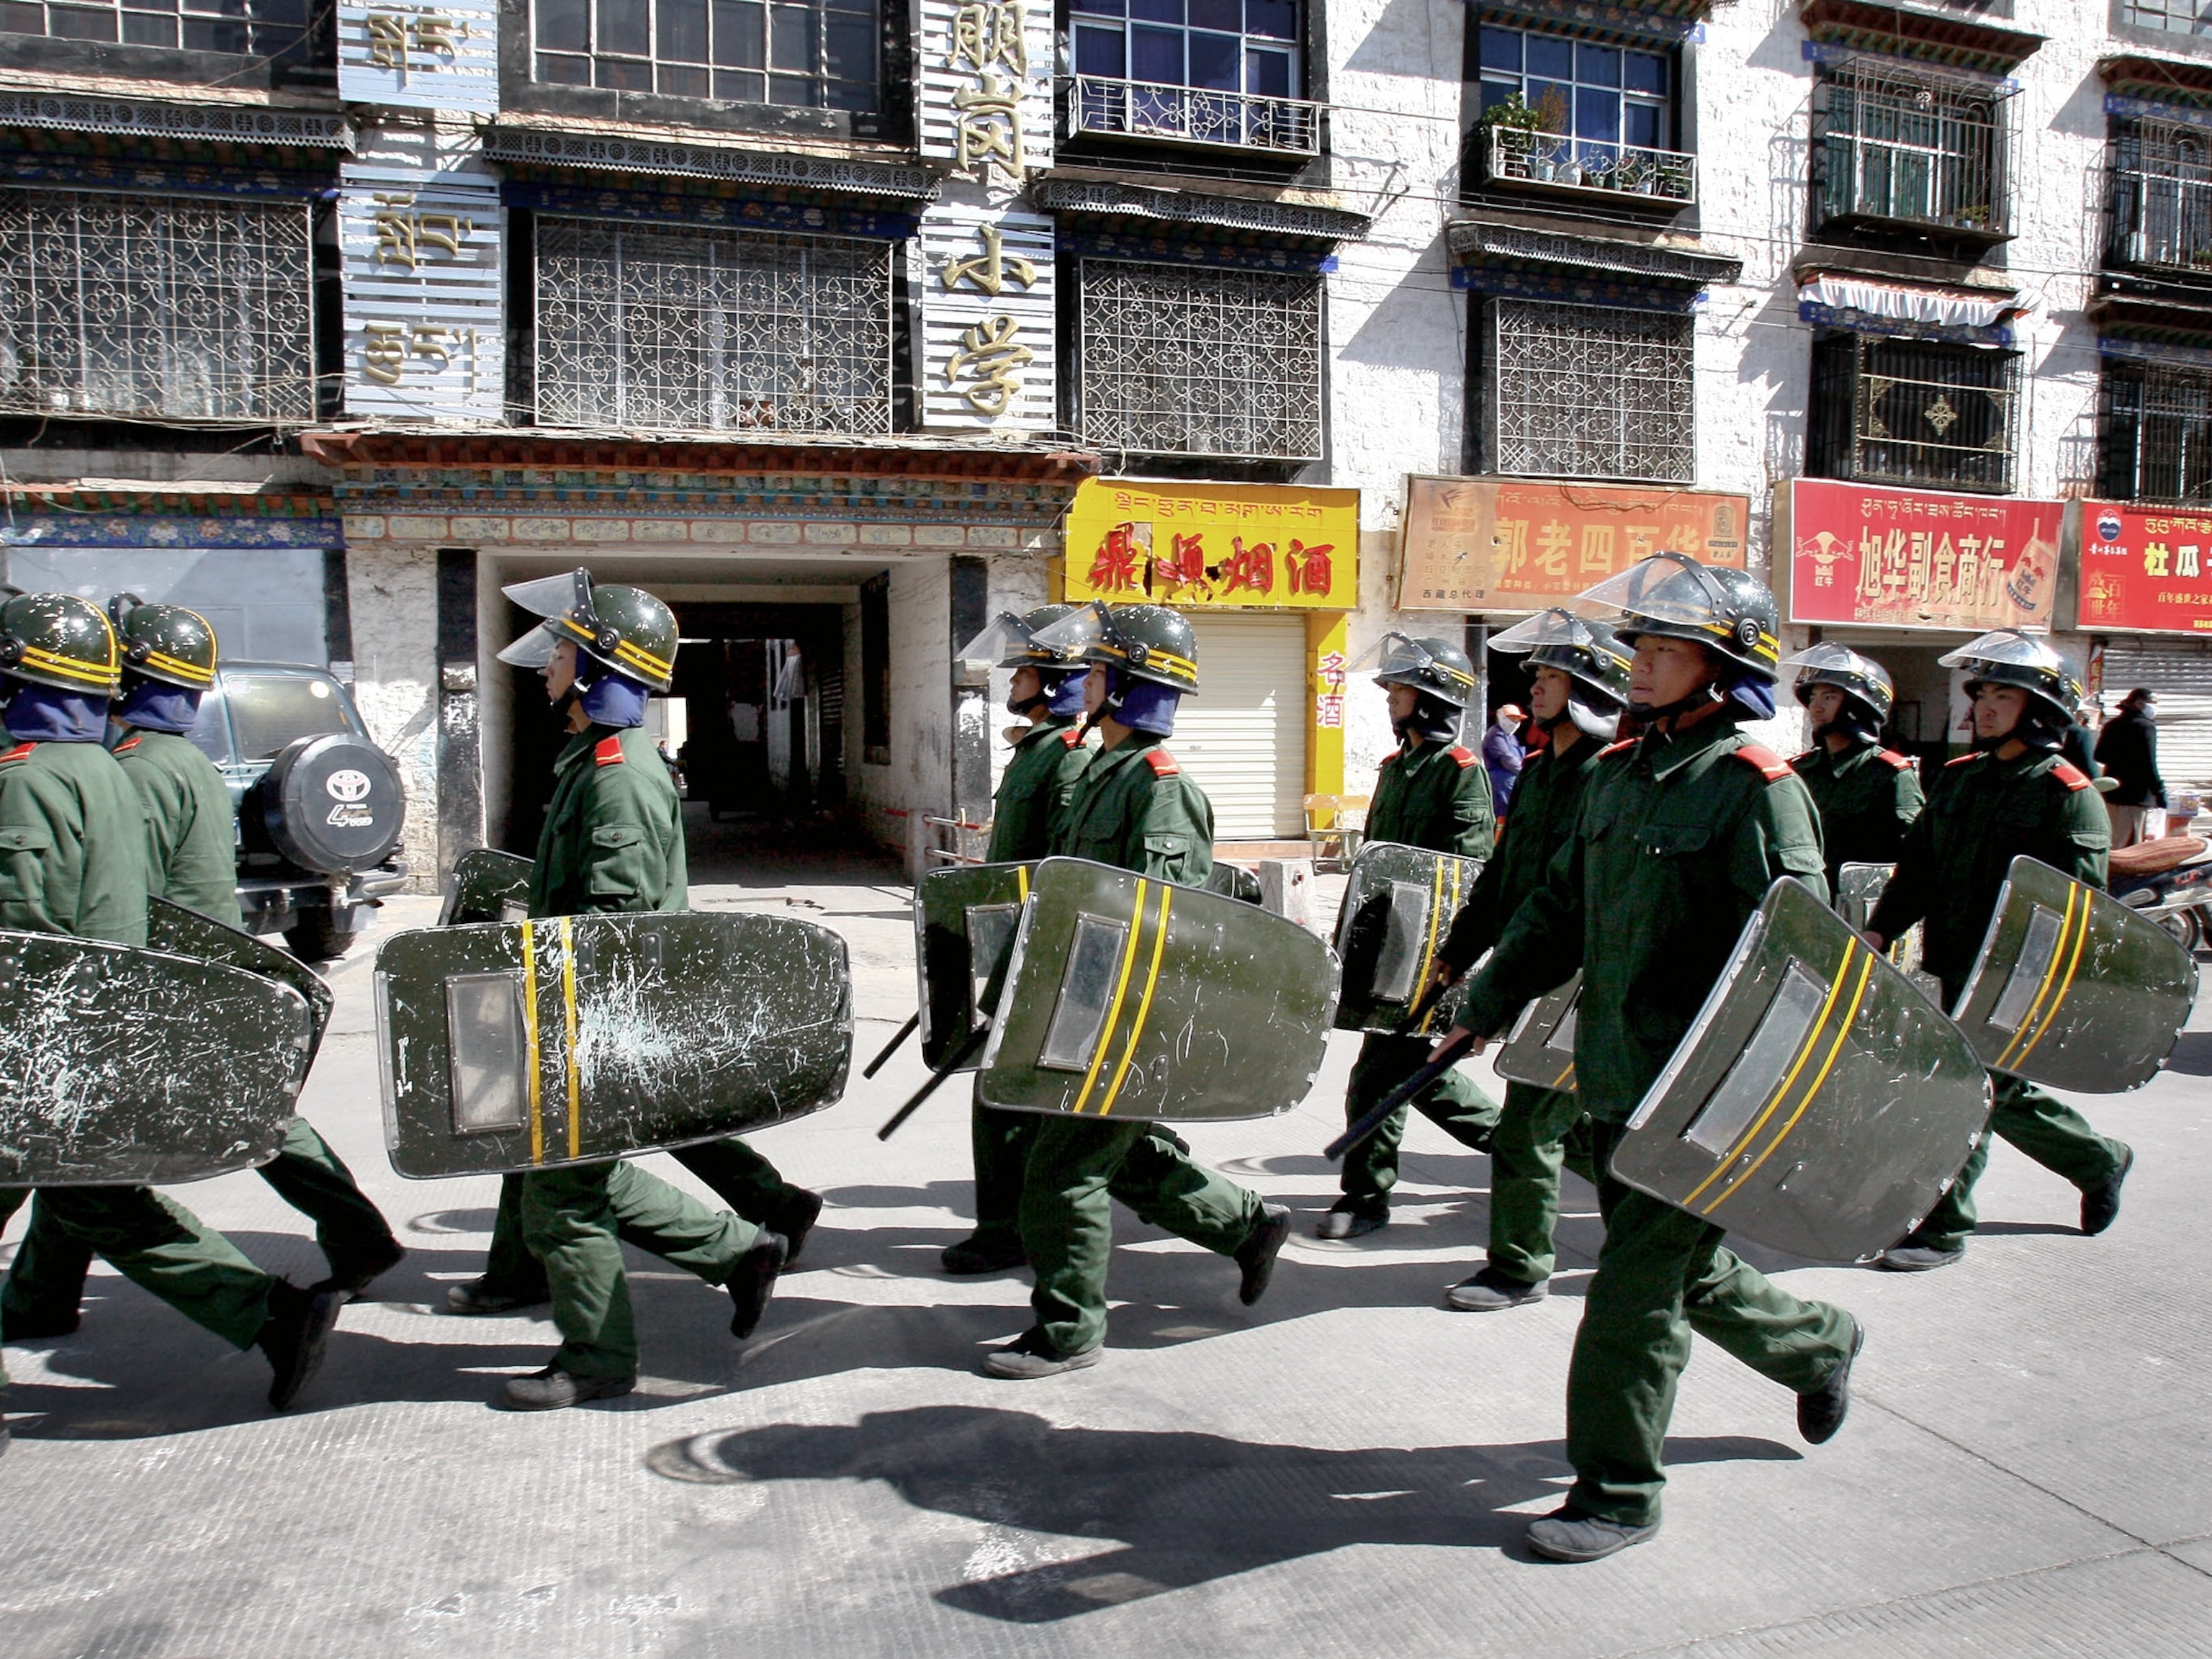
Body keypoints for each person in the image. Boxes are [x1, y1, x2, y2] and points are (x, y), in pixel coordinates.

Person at [1437, 554, 1861, 1563]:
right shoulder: (1618, 776)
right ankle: (1819, 1343)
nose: (1641, 664)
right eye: (1643, 645)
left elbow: (1805, 960)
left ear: (1722, 670)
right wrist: (1483, 1002)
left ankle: (1618, 1491)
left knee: (1631, 1295)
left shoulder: (1756, 792)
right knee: (1683, 1275)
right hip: (1617, 1074)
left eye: (1668, 650)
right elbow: (1559, 912)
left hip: (1706, 1096)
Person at [2, 601, 405, 1343]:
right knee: (97, 1167)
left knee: (217, 1132)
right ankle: (39, 1298)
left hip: (167, 977)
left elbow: (114, 899)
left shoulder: (136, 769)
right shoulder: (169, 761)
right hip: (200, 968)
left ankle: (338, 1257)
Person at [457, 570, 793, 1411]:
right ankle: (737, 1251)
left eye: (564, 651)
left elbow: (617, 927)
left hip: (595, 1015)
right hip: (575, 1011)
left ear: (602, 665)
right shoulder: (593, 761)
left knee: (563, 1198)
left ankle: (600, 1360)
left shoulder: (620, 776)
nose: (547, 666)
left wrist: (577, 1029)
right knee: (561, 1183)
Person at [981, 601, 1290, 1379]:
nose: (1079, 681)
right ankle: (1245, 1227)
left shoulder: (1161, 789)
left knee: (1062, 1171)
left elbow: (1161, 932)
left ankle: (1068, 1331)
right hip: (1078, 1005)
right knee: (1120, 1158)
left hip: (1124, 1019)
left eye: (1095, 670)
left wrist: (1108, 1026)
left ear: (1127, 685)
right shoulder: (1099, 773)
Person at [1866, 630, 2131, 1272]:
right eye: (1980, 693)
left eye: (2001, 695)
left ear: (2041, 707)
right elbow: (1919, 872)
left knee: (1968, 1091)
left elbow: (2077, 911)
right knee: (1993, 1091)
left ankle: (1942, 1227)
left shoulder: (2068, 796)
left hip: (2017, 977)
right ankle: (2097, 1159)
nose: (1982, 707)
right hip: (1949, 966)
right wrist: (1879, 930)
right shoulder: (1958, 780)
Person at [1426, 611, 1630, 1310]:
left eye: (1551, 675)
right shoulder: (1540, 773)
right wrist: (1460, 951)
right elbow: (1504, 877)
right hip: (1530, 966)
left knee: (1528, 1126)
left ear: (1589, 686)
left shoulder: (1611, 777)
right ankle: (1651, 1228)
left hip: (1579, 979)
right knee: (1578, 1130)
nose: (1535, 686)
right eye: (1538, 674)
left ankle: (1519, 1266)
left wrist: (1502, 992)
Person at [1318, 633, 1499, 1240]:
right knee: (1426, 1078)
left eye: (1399, 688)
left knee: (1380, 1079)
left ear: (1431, 697)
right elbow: (1377, 864)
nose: (1390, 698)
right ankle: (1530, 1149)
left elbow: (1466, 877)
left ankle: (1365, 1199)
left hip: (1431, 958)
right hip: (1383, 956)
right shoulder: (1396, 770)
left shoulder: (1460, 773)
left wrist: (1452, 962)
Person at [940, 605, 1095, 1277]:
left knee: (1018, 1095)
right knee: (1018, 1096)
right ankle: (1009, 1222)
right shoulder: (1033, 753)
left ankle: (1007, 1228)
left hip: (1044, 953)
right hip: (1014, 944)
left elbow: (1065, 870)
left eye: (1026, 670)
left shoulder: (1064, 759)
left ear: (1055, 681)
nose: (1014, 679)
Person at [1780, 642, 1924, 895]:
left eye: (1829, 697)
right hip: (1806, 900)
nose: (1816, 707)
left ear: (1859, 705)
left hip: (1860, 907)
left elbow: (1915, 855)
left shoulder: (1890, 774)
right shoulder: (1799, 770)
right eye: (1813, 697)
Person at [2095, 687, 2166, 849]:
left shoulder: (2113, 725)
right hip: (2136, 798)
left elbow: (2099, 756)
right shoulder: (2145, 727)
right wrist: (2159, 791)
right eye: (2153, 703)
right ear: (2140, 704)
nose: (2155, 708)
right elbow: (2149, 763)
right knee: (2129, 847)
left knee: (2111, 842)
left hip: (2112, 794)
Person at [1483, 703, 1526, 814]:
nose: (1515, 723)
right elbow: (1506, 758)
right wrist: (1523, 773)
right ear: (1501, 717)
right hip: (1501, 781)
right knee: (1503, 813)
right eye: (1512, 719)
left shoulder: (1512, 737)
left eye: (1517, 720)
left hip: (1513, 779)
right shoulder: (1495, 734)